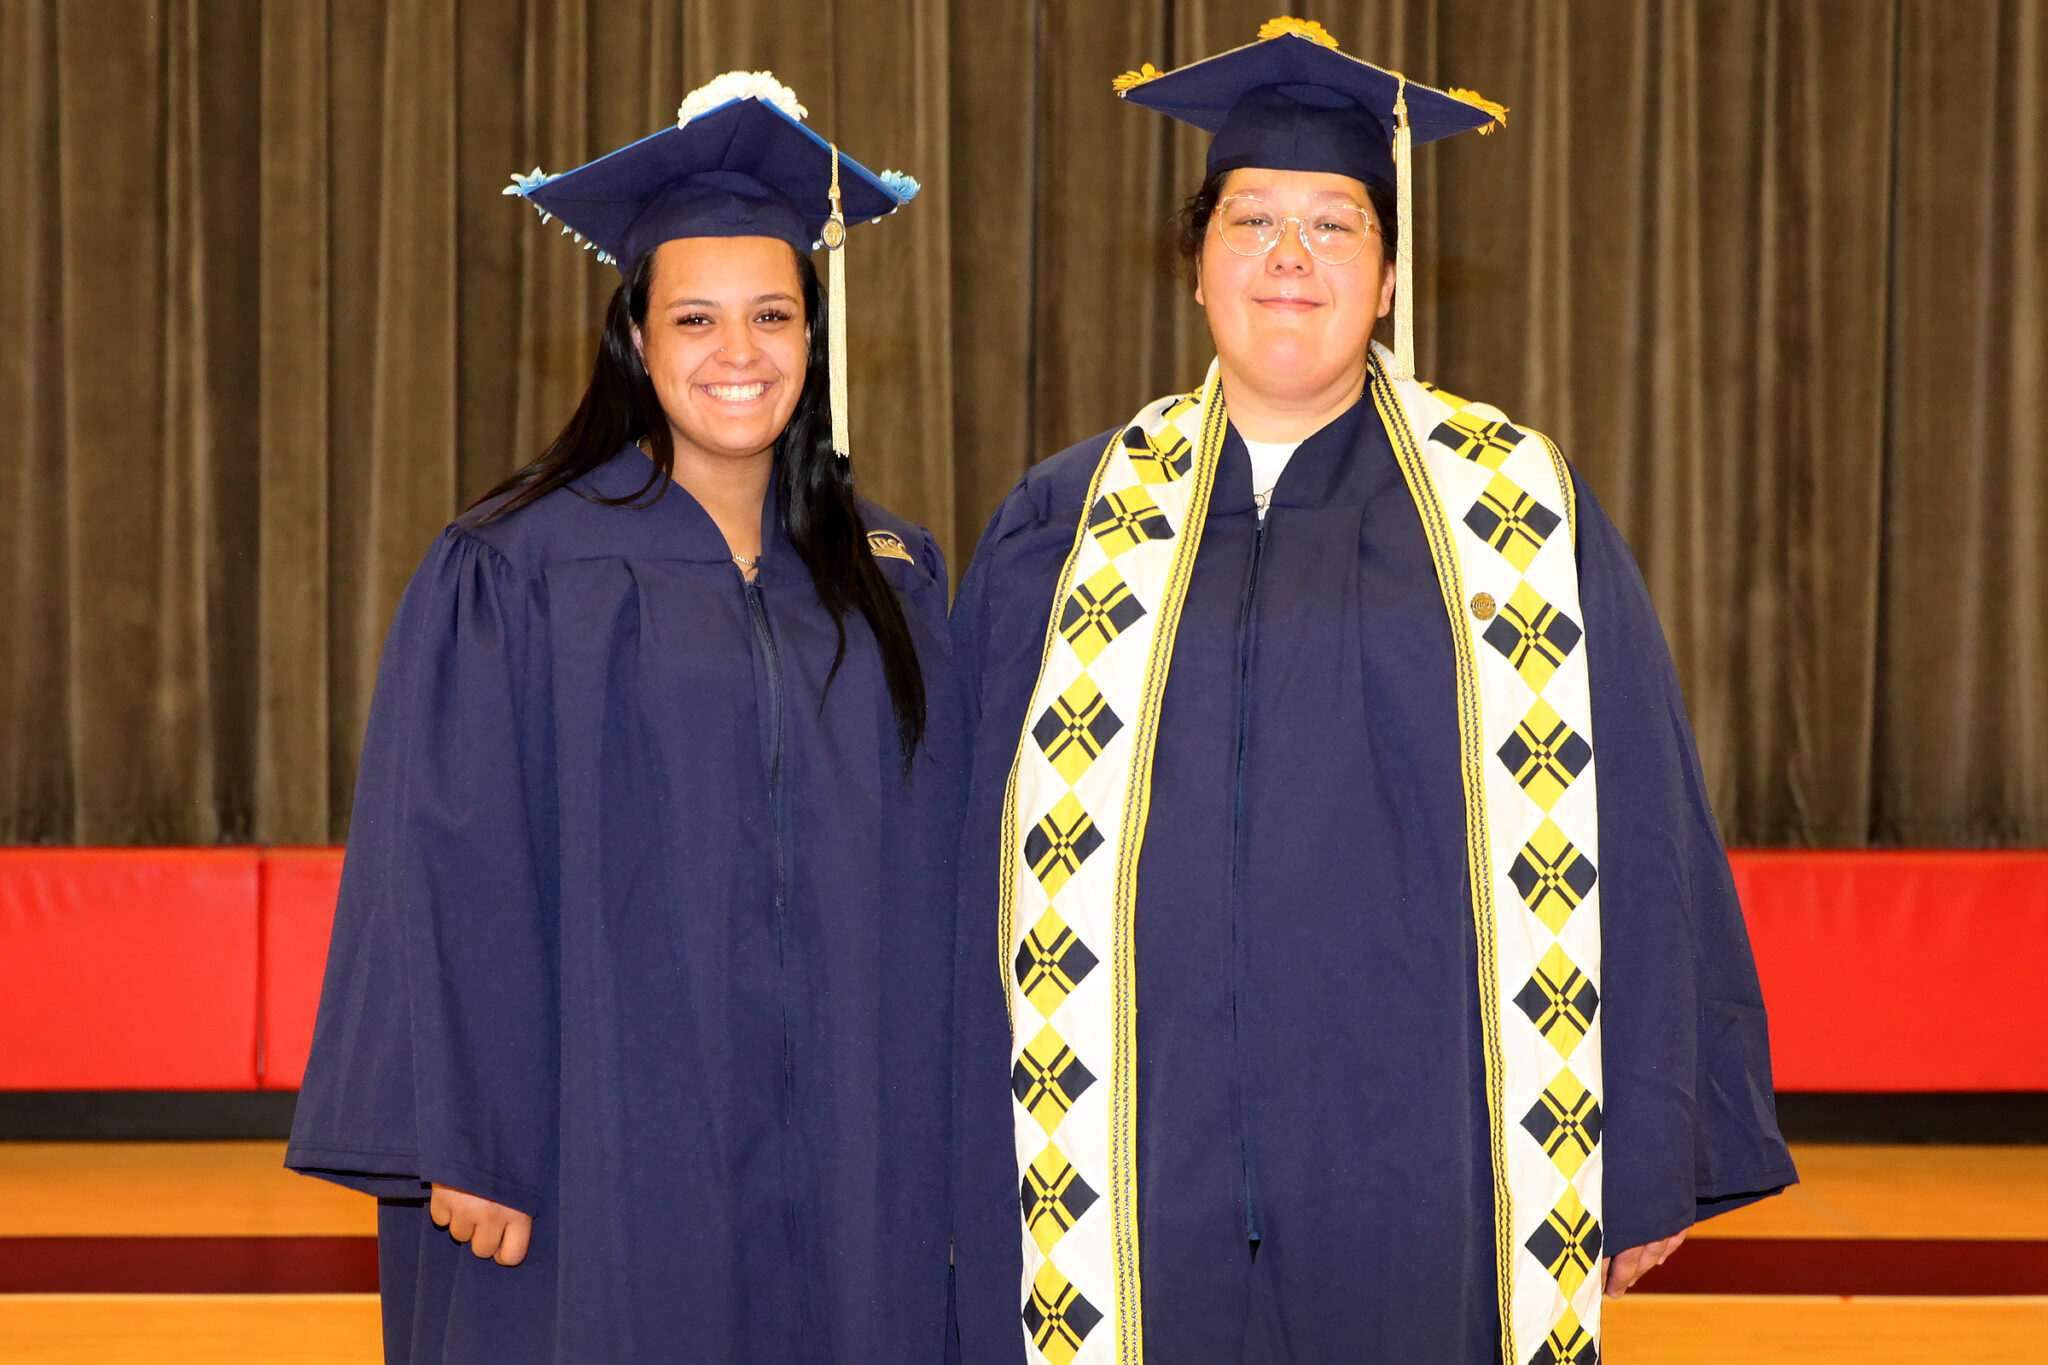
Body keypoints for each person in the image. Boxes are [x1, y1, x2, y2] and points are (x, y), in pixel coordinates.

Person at [949, 19, 1796, 1364]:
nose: (1290, 256)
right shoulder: (1067, 523)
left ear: (1391, 275)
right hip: (1130, 1160)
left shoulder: (1516, 511)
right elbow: (963, 862)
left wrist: (1642, 1140)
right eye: (1252, 220)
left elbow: (1636, 825)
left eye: (1335, 224)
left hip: (1430, 1169)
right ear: (1195, 267)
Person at [286, 72, 964, 1363]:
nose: (740, 353)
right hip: (597, 1129)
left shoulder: (897, 579)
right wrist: (463, 1131)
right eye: (696, 319)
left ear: (816, 339)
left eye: (773, 315)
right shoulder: (517, 566)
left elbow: (949, 879)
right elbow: (442, 857)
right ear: (637, 340)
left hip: (852, 1138)